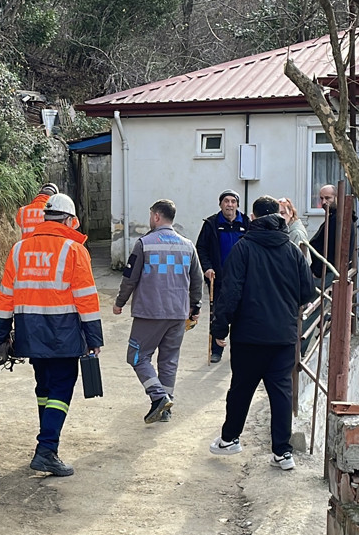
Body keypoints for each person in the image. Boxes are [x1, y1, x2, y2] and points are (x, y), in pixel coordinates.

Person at [0, 193, 103, 476]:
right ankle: (46, 450)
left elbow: (5, 295)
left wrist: (1, 334)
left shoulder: (19, 249)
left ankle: (46, 442)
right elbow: (86, 298)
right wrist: (94, 339)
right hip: (63, 333)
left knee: (44, 388)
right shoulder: (74, 250)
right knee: (61, 389)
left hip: (30, 332)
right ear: (69, 220)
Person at [207, 196, 313, 471]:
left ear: (252, 218)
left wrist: (219, 328)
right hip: (284, 336)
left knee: (241, 389)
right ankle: (282, 452)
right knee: (281, 393)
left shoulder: (243, 249)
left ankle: (230, 439)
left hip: (249, 336)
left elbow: (230, 293)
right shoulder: (291, 250)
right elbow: (307, 292)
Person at [113, 199, 203, 424]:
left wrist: (120, 302)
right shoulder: (188, 245)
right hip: (178, 312)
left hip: (150, 312)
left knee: (136, 356)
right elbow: (197, 279)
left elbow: (129, 278)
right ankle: (166, 406)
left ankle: (159, 396)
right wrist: (195, 306)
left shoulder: (145, 243)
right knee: (169, 360)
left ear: (155, 216)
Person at [195, 189, 247, 363]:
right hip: (218, 279)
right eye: (226, 201)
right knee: (217, 315)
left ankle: (239, 351)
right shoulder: (211, 224)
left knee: (241, 316)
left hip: (241, 279)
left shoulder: (246, 223)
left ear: (237, 205)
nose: (230, 205)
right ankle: (216, 350)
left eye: (233, 201)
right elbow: (201, 248)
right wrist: (207, 268)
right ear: (220, 204)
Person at [308, 184, 355, 280]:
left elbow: (331, 250)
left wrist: (317, 272)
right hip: (327, 271)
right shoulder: (335, 217)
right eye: (321, 198)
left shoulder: (338, 219)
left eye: (327, 198)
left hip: (329, 273)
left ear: (337, 198)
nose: (323, 202)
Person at [278, 197, 311, 268]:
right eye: (277, 214)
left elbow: (300, 264)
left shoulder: (296, 233)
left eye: (282, 213)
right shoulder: (285, 230)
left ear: (291, 213)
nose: (279, 217)